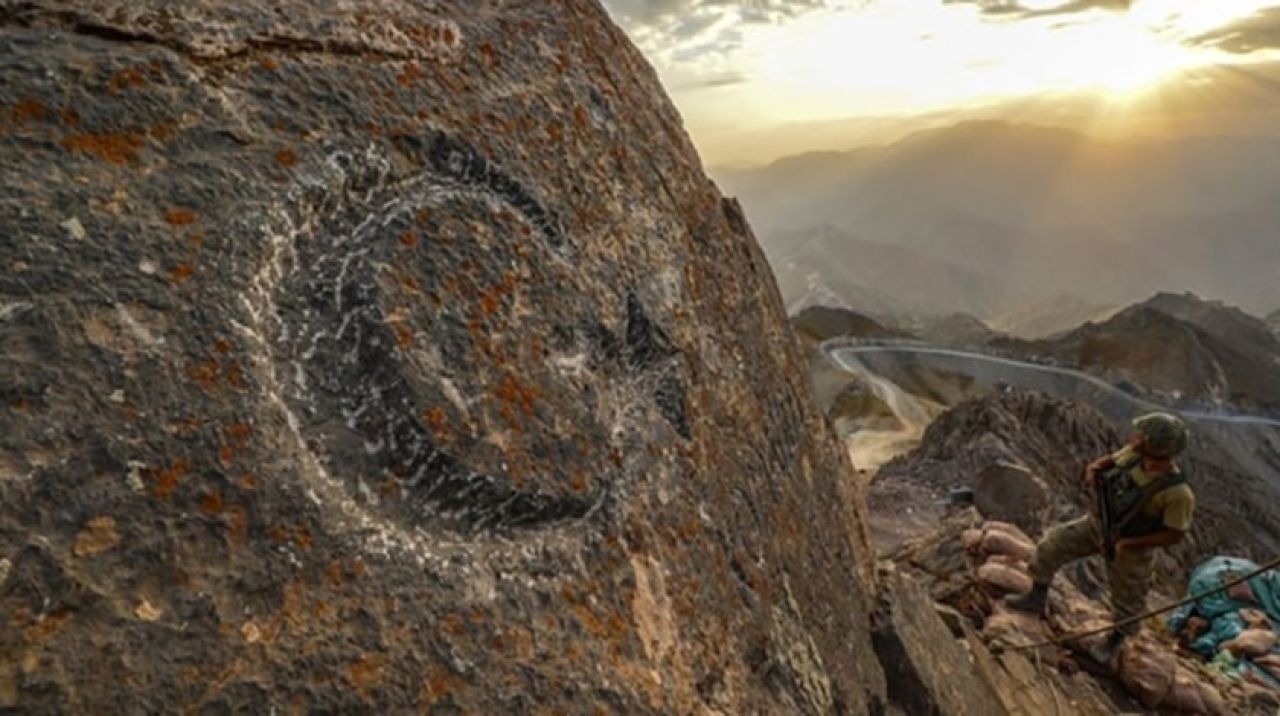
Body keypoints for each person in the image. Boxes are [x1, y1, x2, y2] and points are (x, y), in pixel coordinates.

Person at [1006, 412, 1195, 664]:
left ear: (1153, 444)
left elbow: (1174, 533)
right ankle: (1036, 596)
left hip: (1132, 547)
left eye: (1141, 435)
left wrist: (1129, 544)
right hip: (1098, 525)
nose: (1134, 437)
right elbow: (1111, 462)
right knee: (1052, 545)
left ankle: (1116, 640)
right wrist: (1095, 468)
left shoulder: (1177, 494)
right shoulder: (1134, 455)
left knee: (1128, 599)